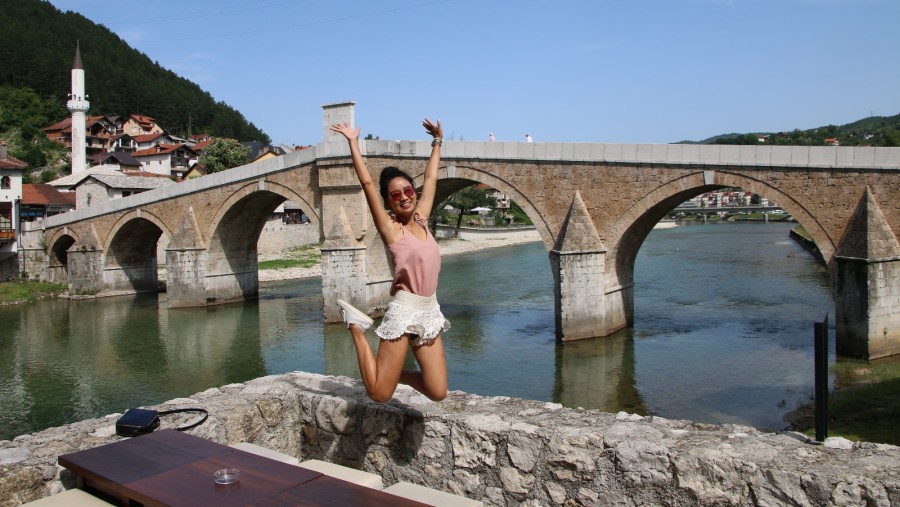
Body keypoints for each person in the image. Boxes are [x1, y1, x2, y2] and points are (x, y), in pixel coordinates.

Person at [329, 118, 450, 403]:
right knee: (379, 393)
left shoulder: (422, 218)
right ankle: (357, 327)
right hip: (405, 310)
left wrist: (437, 142)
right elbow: (367, 182)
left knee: (437, 391)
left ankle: (391, 372)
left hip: (429, 309)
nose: (405, 197)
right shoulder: (390, 230)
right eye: (396, 195)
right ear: (388, 201)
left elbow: (431, 178)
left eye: (409, 191)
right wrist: (352, 142)